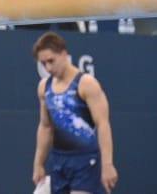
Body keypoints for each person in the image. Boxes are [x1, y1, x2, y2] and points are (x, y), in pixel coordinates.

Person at [33, 31, 117, 194]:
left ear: (64, 54)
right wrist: (38, 163)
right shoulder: (44, 87)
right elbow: (45, 127)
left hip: (86, 161)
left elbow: (103, 124)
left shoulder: (86, 84)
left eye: (51, 61)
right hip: (59, 161)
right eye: (44, 64)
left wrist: (107, 164)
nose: (48, 68)